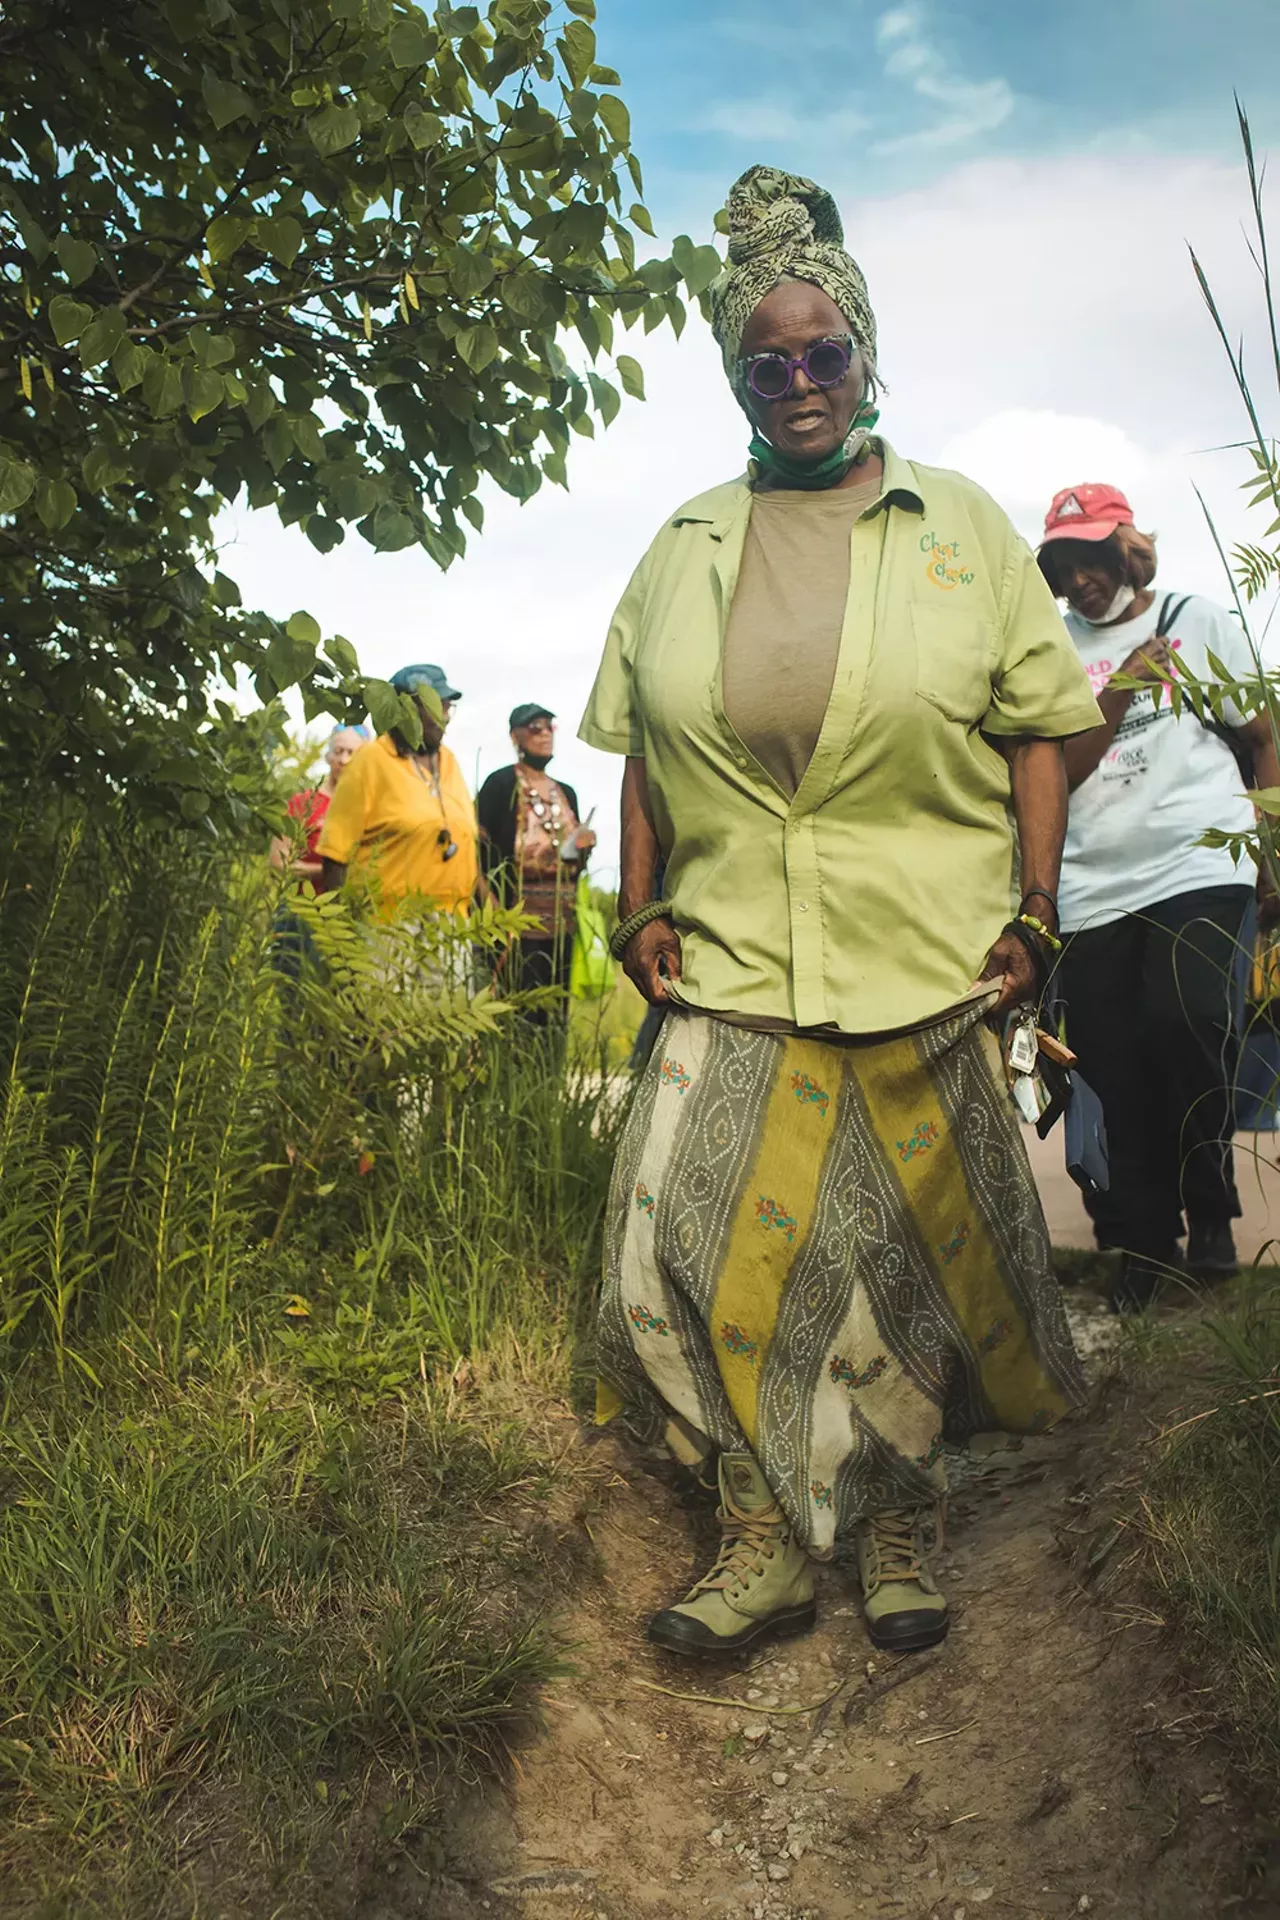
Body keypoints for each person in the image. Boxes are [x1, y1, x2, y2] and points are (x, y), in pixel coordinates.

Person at [579, 165, 1102, 1660]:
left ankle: (897, 1522)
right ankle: (758, 1526)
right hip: (736, 948)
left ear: (865, 357)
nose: (800, 381)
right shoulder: (684, 543)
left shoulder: (966, 528)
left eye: (826, 355)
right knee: (679, 1237)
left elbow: (1039, 736)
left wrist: (1038, 909)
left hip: (925, 951)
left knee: (907, 1256)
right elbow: (641, 748)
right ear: (739, 379)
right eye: (769, 360)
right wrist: (637, 906)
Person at [1036, 484, 1280, 1310]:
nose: (1081, 579)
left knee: (1189, 1022)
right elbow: (1057, 776)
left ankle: (1210, 1202)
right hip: (1092, 882)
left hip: (1198, 861)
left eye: (1093, 557)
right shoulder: (1051, 650)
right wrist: (1122, 689)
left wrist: (1269, 856)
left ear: (1124, 551)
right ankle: (1148, 1243)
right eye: (1064, 566)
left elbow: (1261, 738)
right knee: (1112, 1062)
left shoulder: (1194, 617)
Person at [317, 664, 485, 925]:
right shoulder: (370, 761)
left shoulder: (448, 761)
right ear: (405, 710)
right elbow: (335, 856)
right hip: (387, 925)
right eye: (435, 706)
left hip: (452, 922)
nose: (445, 717)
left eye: (447, 707)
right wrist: (339, 937)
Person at [476, 703, 597, 1021]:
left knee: (555, 1014)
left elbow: (574, 866)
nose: (544, 734)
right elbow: (478, 854)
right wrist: (494, 915)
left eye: (549, 727)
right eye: (535, 728)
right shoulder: (500, 785)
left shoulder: (565, 793)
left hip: (561, 926)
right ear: (515, 736)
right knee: (513, 1011)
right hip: (515, 924)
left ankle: (550, 1071)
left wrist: (583, 849)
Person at [269, 726, 368, 888]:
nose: (343, 760)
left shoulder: (370, 807)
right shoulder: (302, 804)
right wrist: (329, 871)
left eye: (352, 753)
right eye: (338, 751)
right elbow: (277, 863)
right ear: (327, 756)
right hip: (302, 906)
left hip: (352, 907)